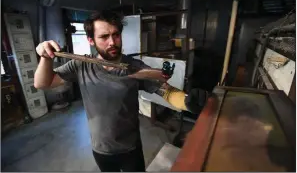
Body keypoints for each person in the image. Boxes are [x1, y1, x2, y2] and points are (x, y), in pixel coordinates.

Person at [34, 10, 206, 172]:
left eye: (116, 35)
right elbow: (42, 83)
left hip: (130, 148)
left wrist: (187, 101)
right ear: (91, 40)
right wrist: (45, 57)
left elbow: (167, 92)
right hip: (101, 149)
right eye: (104, 37)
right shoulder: (80, 65)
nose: (112, 42)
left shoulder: (135, 68)